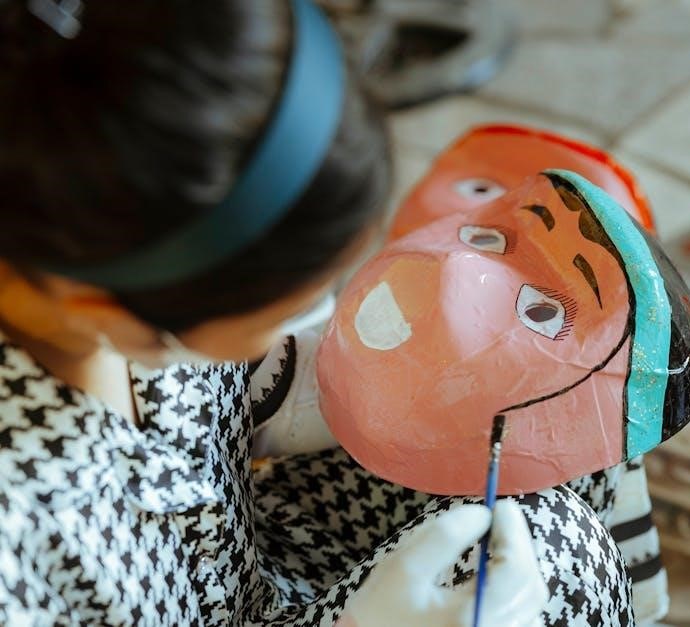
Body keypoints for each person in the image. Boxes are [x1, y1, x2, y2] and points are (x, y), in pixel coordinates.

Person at [0, 1, 634, 625]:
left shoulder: (123, 220)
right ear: (104, 312)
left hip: (258, 551)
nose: (323, 312)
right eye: (284, 310)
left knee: (567, 427)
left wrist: (347, 383)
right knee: (562, 556)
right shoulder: (20, 539)